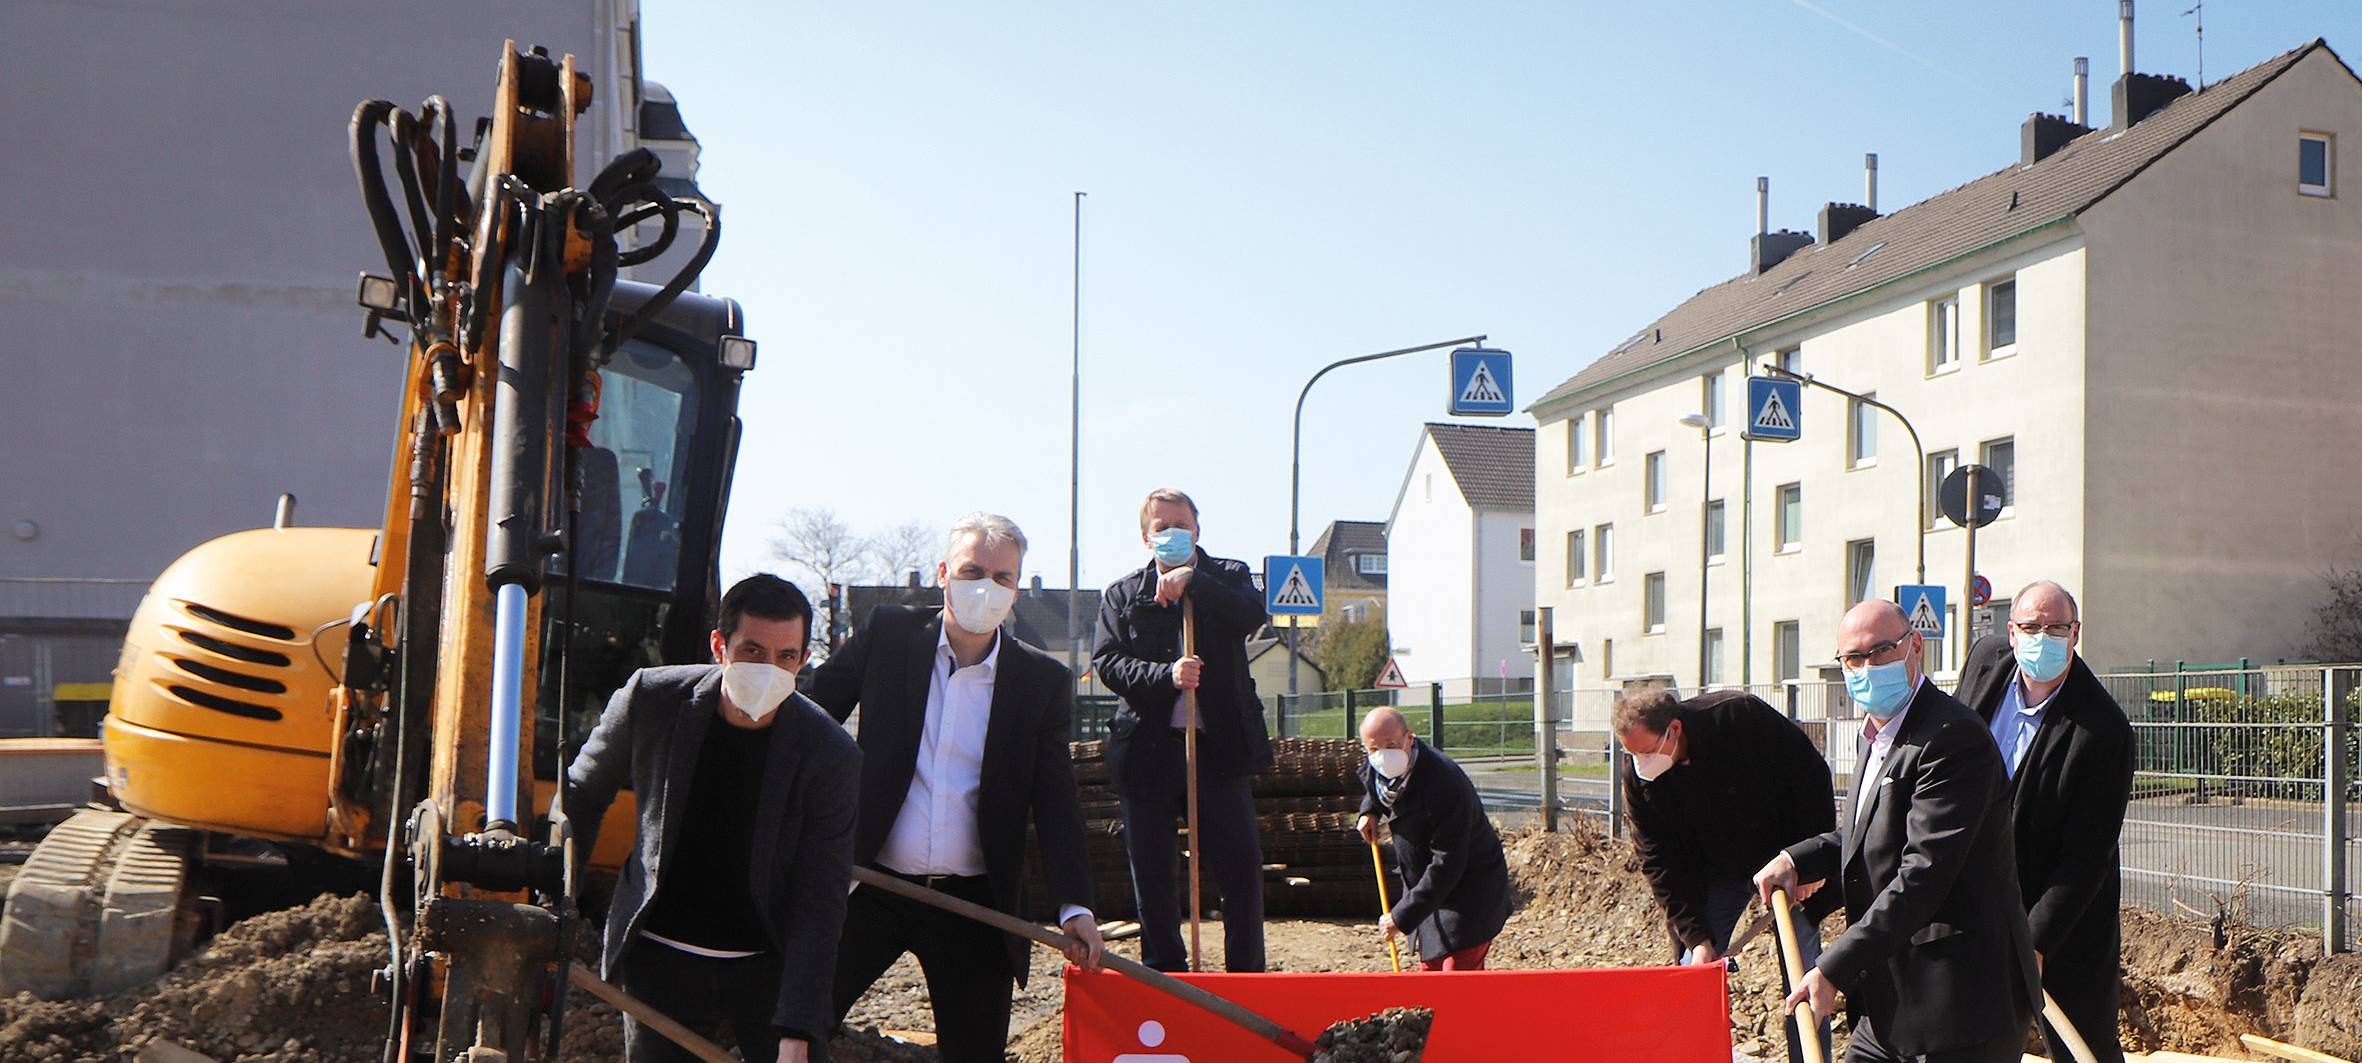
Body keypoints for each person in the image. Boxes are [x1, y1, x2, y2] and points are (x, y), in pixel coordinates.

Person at [802, 513, 1102, 1063]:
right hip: (868, 884)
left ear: (1015, 590)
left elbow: (1057, 802)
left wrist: (1074, 906)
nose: (986, 587)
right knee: (798, 1021)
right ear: (944, 573)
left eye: (1003, 578)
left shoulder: (1039, 682)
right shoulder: (888, 635)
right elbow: (812, 721)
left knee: (975, 1052)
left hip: (974, 905)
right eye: (972, 570)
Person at [568, 574, 861, 1063]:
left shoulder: (829, 754)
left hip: (765, 960)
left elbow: (821, 894)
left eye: (786, 657)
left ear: (804, 661)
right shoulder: (653, 700)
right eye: (752, 651)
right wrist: (557, 902)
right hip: (658, 957)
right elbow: (581, 793)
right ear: (719, 645)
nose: (769, 668)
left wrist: (799, 1025)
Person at [1753, 599, 2040, 1063]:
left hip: (1959, 1007)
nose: (1867, 668)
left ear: (1915, 648)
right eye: (1853, 658)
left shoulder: (1951, 738)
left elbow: (1923, 873)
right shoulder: (1878, 734)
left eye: (1881, 651)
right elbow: (1871, 836)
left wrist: (1833, 968)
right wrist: (1797, 859)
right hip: (1890, 1003)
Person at [1093, 487, 1274, 972]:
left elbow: (1252, 614)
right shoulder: (1122, 593)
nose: (1172, 534)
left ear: (1198, 530)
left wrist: (1193, 582)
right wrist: (1165, 676)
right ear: (1145, 537)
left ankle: (1246, 976)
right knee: (1152, 873)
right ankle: (1165, 973)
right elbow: (1107, 663)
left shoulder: (1230, 576)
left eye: (1182, 526)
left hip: (1220, 751)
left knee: (1239, 867)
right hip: (1149, 754)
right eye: (1161, 528)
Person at [1954, 581, 2135, 1063]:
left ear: (2075, 634)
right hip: (1972, 905)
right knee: (1969, 1037)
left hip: (2061, 920)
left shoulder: (2102, 730)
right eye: (2031, 627)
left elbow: (2085, 858)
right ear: (2011, 632)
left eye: (2056, 628)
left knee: (2081, 1045)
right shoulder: (1985, 664)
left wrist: (2033, 941)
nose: (2042, 637)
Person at [1613, 686, 1835, 1063]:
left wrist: (1809, 860)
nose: (1640, 763)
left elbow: (1810, 775)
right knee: (1693, 970)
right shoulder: (1640, 779)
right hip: (1715, 870)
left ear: (1675, 730)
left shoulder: (1739, 717)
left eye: (1647, 752)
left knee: (1803, 975)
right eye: (1631, 754)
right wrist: (1696, 936)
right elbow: (1657, 861)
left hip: (1785, 859)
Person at [1352, 707, 1509, 970]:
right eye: (1374, 749)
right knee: (1431, 977)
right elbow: (1374, 779)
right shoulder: (1381, 765)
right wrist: (1369, 811)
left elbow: (1447, 862)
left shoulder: (1444, 784)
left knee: (1457, 984)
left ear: (1409, 738)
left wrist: (1401, 916)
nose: (1382, 755)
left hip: (1469, 893)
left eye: (1390, 745)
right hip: (1429, 894)